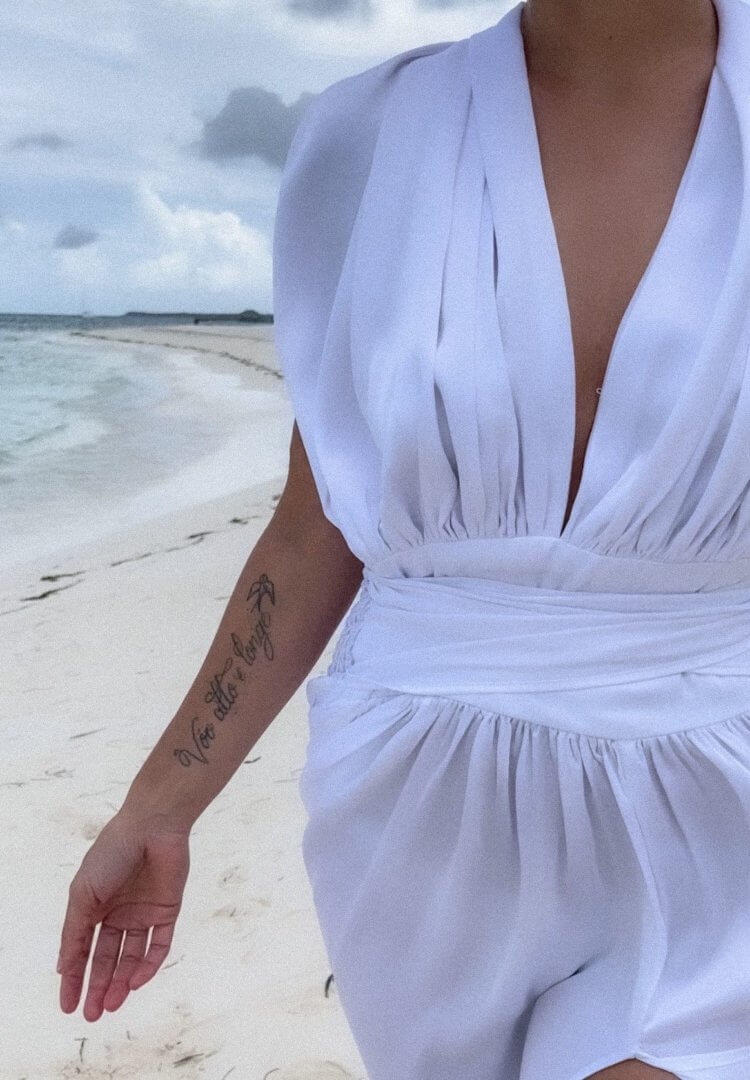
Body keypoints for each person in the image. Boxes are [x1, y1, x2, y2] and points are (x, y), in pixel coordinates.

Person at [57, 0, 750, 1076]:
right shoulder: (376, 137)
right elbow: (316, 523)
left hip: (721, 782)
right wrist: (163, 803)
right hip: (422, 819)